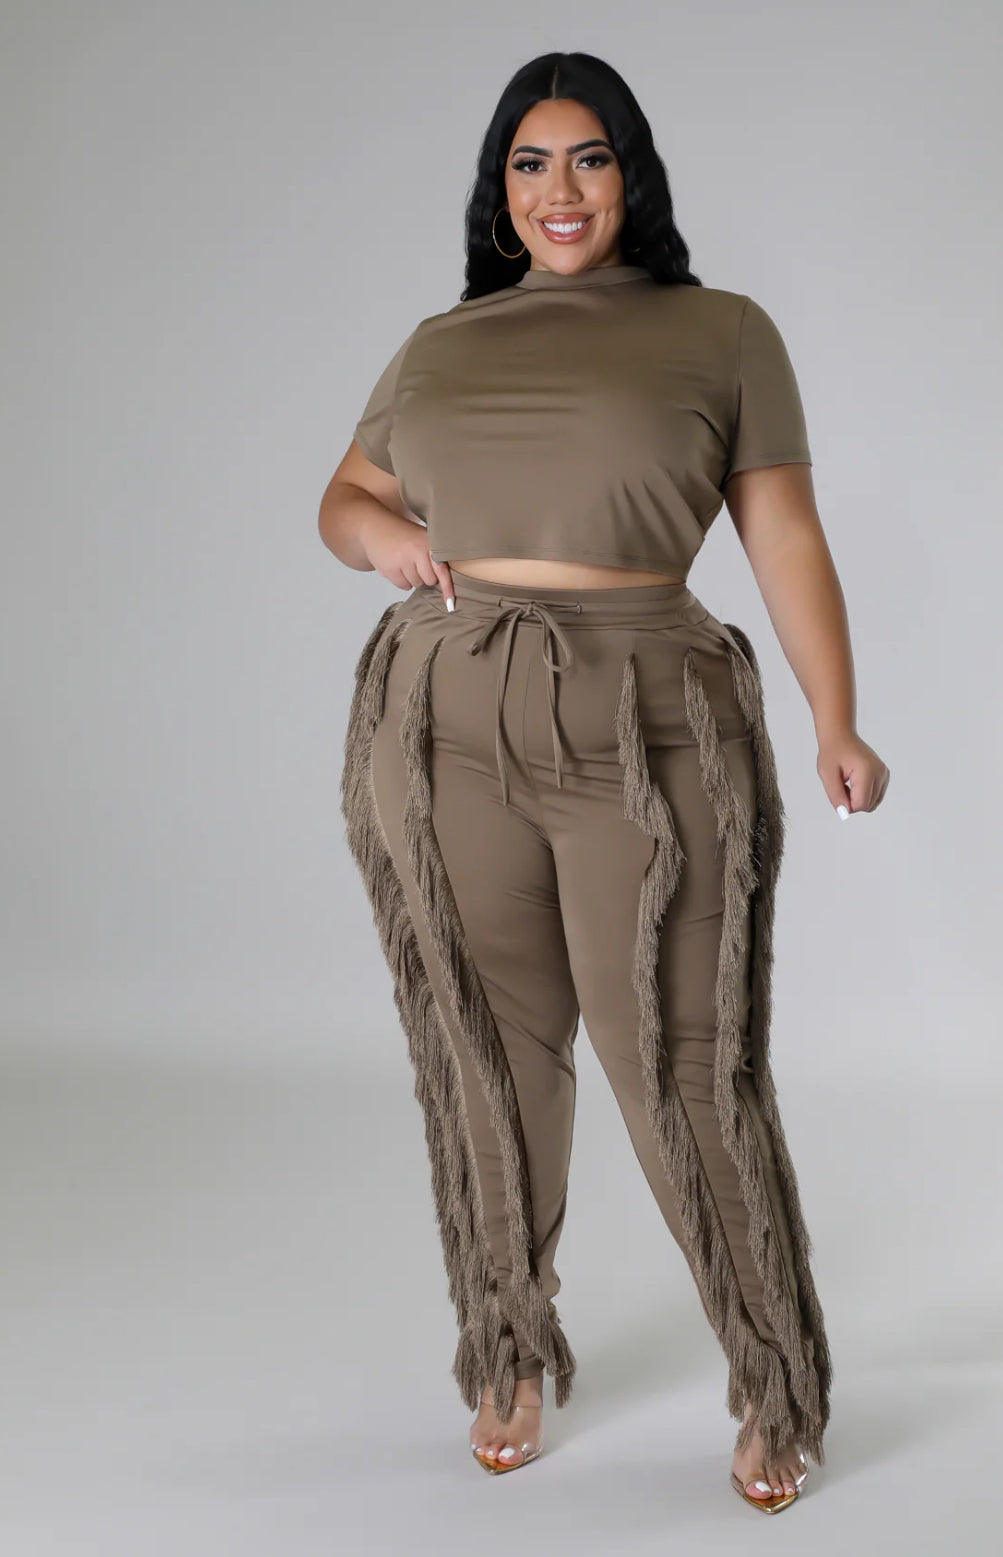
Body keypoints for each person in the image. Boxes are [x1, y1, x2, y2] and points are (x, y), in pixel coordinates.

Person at [319, 51, 889, 1513]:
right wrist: (384, 542)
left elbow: (785, 535)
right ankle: (507, 1344)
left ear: (631, 174)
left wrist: (836, 717)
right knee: (489, 1051)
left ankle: (776, 1379)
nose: (558, 190)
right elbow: (346, 494)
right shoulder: (441, 342)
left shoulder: (721, 331)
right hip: (445, 720)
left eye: (588, 158)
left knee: (687, 1066)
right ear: (498, 189)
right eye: (529, 162)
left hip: (649, 718)